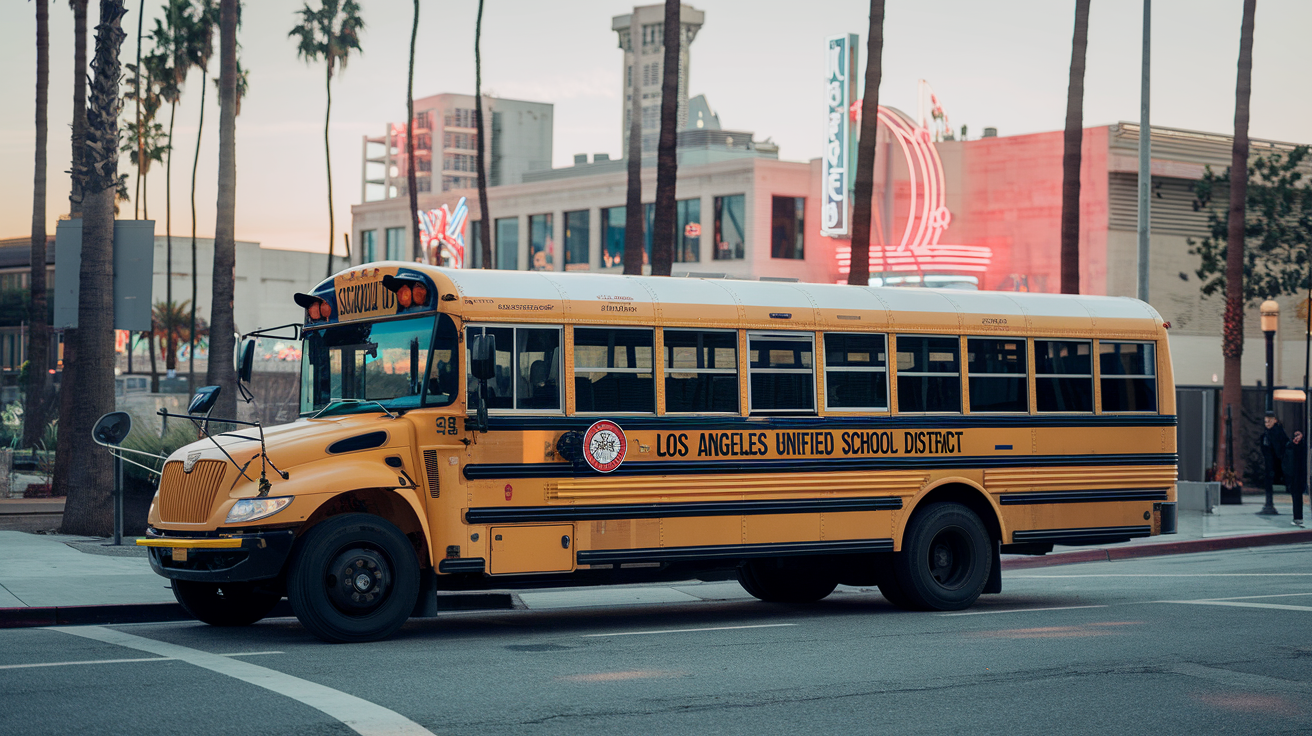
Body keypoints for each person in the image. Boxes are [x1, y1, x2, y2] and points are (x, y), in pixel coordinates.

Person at [1262, 411, 1289, 514]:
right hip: (1270, 462)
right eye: (1266, 422)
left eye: (1269, 421)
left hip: (1275, 463)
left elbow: (1278, 448)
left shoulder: (1277, 432)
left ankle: (1269, 504)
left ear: (1274, 420)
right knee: (1268, 482)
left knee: (1270, 482)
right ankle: (1269, 504)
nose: (1267, 424)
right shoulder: (1268, 432)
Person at [1284, 428, 1307, 526]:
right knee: (1296, 496)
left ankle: (1298, 517)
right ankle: (1297, 517)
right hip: (1293, 476)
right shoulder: (1290, 446)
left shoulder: (1302, 447)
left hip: (1299, 475)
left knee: (1297, 496)